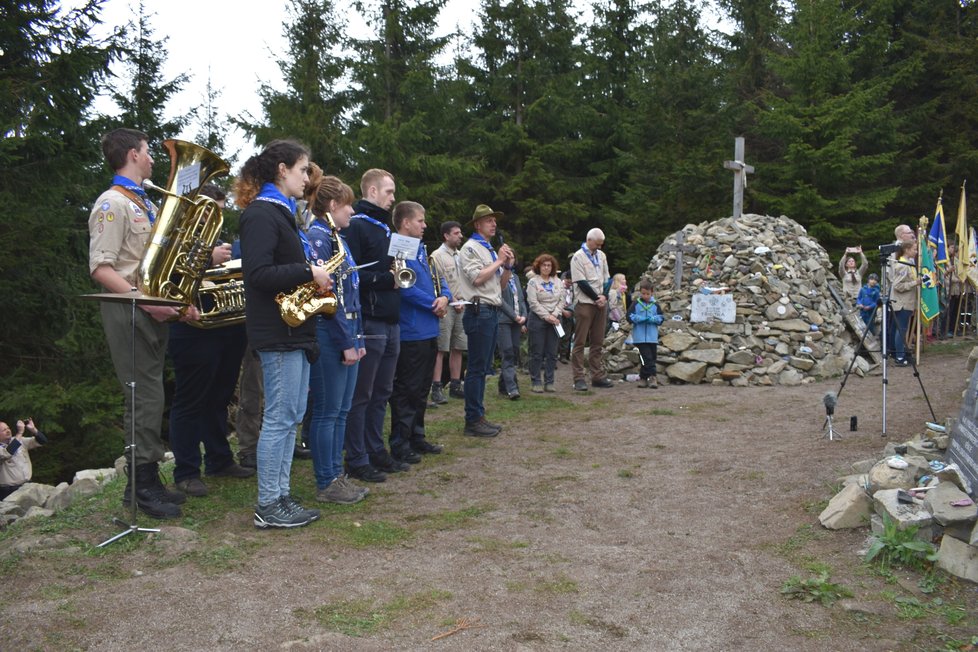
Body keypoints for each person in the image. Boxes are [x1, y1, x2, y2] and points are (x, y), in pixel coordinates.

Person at [88, 127, 188, 519]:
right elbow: (101, 268)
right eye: (148, 152)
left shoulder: (139, 201)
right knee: (142, 396)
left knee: (150, 395)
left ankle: (146, 480)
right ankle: (141, 486)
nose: (152, 159)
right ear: (132, 154)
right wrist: (147, 303)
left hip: (144, 308)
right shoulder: (112, 203)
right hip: (128, 309)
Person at [238, 139, 328, 529]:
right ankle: (268, 504)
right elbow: (256, 274)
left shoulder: (282, 213)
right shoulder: (261, 214)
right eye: (303, 169)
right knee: (278, 418)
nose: (307, 178)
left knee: (290, 415)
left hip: (294, 331)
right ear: (282, 169)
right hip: (277, 332)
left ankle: (281, 495)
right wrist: (309, 272)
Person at [167, 184, 254, 498]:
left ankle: (219, 460)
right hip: (191, 329)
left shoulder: (215, 238)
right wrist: (209, 257)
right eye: (212, 210)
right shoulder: (174, 238)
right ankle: (186, 471)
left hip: (226, 327)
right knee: (189, 402)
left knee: (218, 398)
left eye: (220, 209)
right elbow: (168, 277)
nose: (218, 216)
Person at [303, 167, 369, 505]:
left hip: (348, 333)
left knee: (342, 410)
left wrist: (358, 339)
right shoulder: (317, 237)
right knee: (328, 411)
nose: (352, 211)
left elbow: (349, 291)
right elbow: (328, 299)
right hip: (330, 335)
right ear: (331, 205)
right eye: (347, 205)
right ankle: (326, 480)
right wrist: (347, 342)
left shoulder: (336, 237)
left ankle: (336, 474)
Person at [343, 169, 409, 482]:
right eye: (388, 192)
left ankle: (375, 450)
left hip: (390, 319)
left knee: (382, 391)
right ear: (371, 191)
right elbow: (351, 275)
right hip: (369, 319)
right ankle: (356, 457)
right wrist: (388, 279)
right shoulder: (357, 226)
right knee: (362, 394)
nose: (393, 198)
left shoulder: (384, 229)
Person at [389, 201, 450, 463]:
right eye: (420, 221)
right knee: (407, 389)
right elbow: (404, 286)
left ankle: (417, 435)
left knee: (423, 386)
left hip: (429, 329)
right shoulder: (399, 248)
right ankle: (400, 442)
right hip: (411, 330)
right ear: (405, 223)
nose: (425, 225)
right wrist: (432, 303)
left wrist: (445, 297)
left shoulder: (422, 250)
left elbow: (440, 280)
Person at [457, 204, 516, 437]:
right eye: (488, 220)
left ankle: (478, 416)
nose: (494, 224)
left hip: (490, 310)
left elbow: (498, 287)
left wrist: (508, 267)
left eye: (494, 220)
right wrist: (500, 261)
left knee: (483, 368)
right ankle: (472, 419)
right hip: (478, 311)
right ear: (477, 225)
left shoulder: (489, 250)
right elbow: (478, 279)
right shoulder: (470, 248)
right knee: (476, 368)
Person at [429, 221, 467, 403]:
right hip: (447, 307)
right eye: (456, 233)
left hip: (462, 305)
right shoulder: (437, 256)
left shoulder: (460, 256)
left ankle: (455, 384)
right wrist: (453, 300)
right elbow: (438, 282)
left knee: (458, 346)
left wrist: (463, 299)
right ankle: (436, 387)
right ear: (446, 235)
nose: (460, 236)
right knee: (441, 347)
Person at [570, 228, 612, 391]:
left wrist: (604, 296)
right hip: (585, 302)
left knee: (598, 341)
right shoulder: (578, 257)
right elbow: (581, 282)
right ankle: (579, 377)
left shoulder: (601, 256)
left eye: (601, 244)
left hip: (600, 303)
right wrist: (596, 298)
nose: (600, 247)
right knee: (580, 341)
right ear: (589, 240)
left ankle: (597, 375)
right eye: (597, 244)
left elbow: (607, 279)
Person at [525, 253, 563, 393]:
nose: (546, 268)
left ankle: (549, 381)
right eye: (544, 265)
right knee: (537, 352)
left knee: (552, 353)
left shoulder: (558, 282)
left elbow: (562, 300)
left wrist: (554, 314)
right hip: (538, 320)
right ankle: (536, 381)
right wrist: (547, 316)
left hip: (555, 319)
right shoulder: (533, 282)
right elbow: (533, 303)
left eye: (549, 265)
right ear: (538, 267)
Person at [497, 263, 528, 399]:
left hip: (517, 321)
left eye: (513, 258)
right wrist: (514, 316)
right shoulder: (498, 276)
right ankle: (512, 388)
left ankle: (503, 384)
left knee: (514, 351)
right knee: (507, 351)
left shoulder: (515, 277)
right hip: (503, 320)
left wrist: (524, 316)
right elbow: (499, 300)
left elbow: (521, 299)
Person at [0, 419, 48, 500]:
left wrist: (33, 430)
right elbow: (8, 453)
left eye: (8, 428)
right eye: (3, 430)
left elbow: (42, 441)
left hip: (27, 486)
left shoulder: (20, 440)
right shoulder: (15, 441)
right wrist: (20, 432)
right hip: (9, 491)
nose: (7, 431)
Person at [629, 280, 664, 388]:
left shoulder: (655, 305)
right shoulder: (635, 304)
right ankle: (653, 377)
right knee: (646, 357)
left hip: (652, 337)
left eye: (648, 294)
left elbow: (661, 318)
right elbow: (629, 316)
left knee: (651, 357)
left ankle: (643, 378)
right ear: (640, 293)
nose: (645, 296)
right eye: (643, 294)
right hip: (639, 337)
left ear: (652, 293)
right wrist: (639, 319)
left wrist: (653, 319)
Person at [890, 240, 920, 366]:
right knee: (901, 329)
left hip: (907, 302)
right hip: (902, 303)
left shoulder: (909, 263)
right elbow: (898, 286)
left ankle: (902, 353)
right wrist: (915, 283)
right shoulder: (902, 265)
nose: (916, 251)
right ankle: (900, 357)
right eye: (914, 249)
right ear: (907, 250)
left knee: (903, 329)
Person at [558, 270, 574, 364]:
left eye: (571, 283)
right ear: (565, 279)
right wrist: (563, 311)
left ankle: (564, 355)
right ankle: (555, 355)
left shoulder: (573, 288)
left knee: (567, 335)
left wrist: (571, 310)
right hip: (559, 313)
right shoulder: (559, 286)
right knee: (559, 334)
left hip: (570, 313)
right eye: (568, 282)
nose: (569, 285)